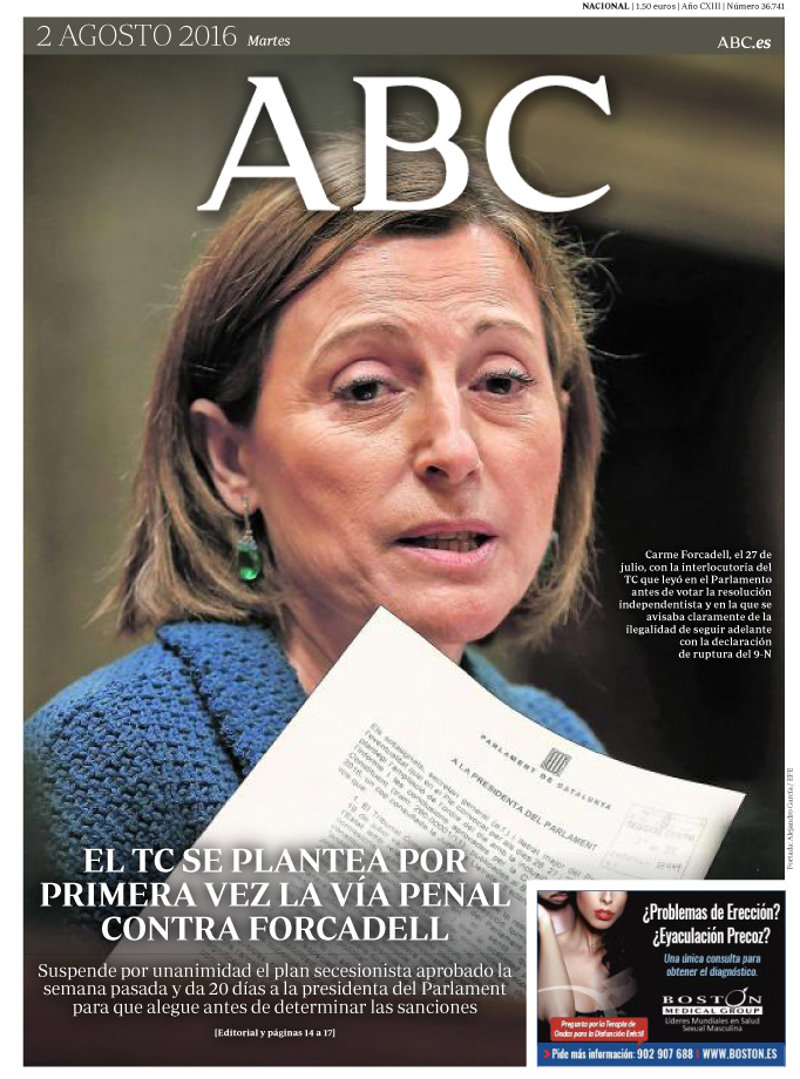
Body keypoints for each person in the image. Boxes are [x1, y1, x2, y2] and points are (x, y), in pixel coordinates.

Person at [25, 134, 604, 925]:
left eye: (501, 381)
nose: (454, 449)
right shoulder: (102, 758)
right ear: (231, 458)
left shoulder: (567, 752)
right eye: (366, 388)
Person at [538, 890, 637, 1027]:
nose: (607, 898)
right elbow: (560, 1023)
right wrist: (544, 922)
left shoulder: (641, 959)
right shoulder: (537, 954)